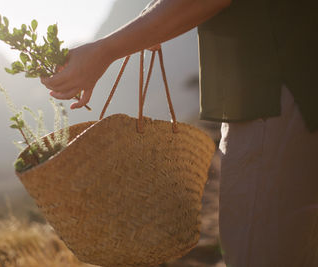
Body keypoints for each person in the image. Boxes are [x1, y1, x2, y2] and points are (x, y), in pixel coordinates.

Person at [41, 0, 318, 266]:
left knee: (258, 254)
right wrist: (152, 23)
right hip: (293, 87)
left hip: (275, 93)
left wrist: (103, 52)